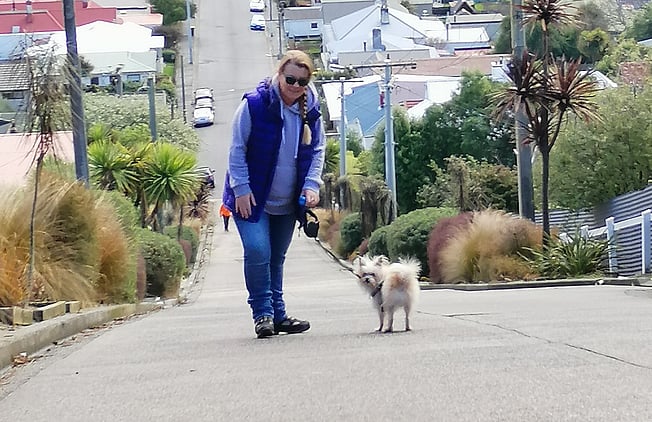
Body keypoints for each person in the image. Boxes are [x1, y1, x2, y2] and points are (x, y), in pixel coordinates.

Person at [222, 50, 325, 338]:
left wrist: (311, 184)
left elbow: (318, 149)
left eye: (302, 81)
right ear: (279, 75)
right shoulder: (255, 105)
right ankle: (263, 315)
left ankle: (278, 315)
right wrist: (241, 188)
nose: (295, 86)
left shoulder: (311, 110)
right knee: (258, 251)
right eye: (290, 79)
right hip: (251, 198)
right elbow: (237, 149)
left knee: (276, 257)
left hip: (288, 200)